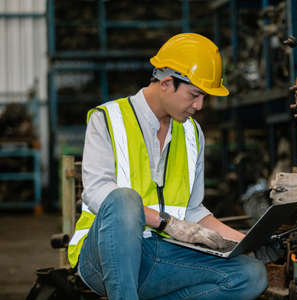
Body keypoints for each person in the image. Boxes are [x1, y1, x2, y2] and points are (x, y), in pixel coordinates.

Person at [67, 33, 268, 300]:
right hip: (105, 257)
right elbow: (96, 193)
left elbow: (193, 210)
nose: (199, 105)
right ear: (167, 83)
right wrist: (167, 223)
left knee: (251, 275)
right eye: (194, 95)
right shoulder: (107, 119)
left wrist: (247, 241)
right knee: (124, 199)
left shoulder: (192, 133)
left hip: (162, 256)